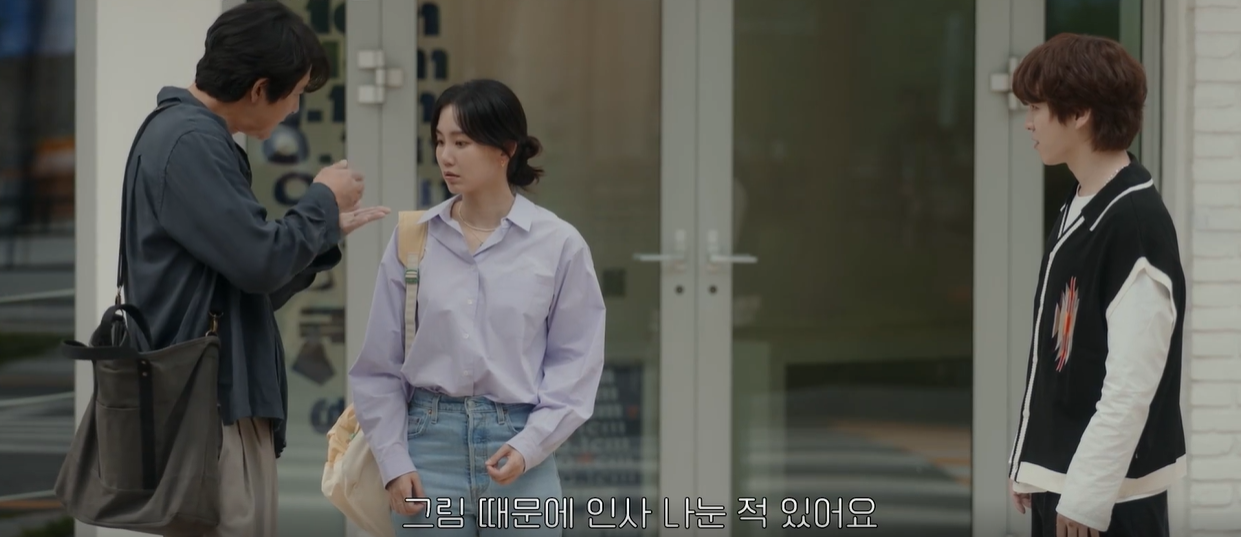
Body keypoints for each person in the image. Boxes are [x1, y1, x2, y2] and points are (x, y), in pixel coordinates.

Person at [121, 3, 389, 536]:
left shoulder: (183, 134)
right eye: (295, 94)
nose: (294, 109)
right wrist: (320, 199)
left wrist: (323, 232)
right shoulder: (191, 141)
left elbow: (241, 280)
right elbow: (258, 263)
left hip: (209, 403)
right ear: (260, 88)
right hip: (212, 408)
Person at [349, 78, 607, 535]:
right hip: (426, 453)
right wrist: (393, 460)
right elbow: (378, 368)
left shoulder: (558, 244)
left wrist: (530, 445)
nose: (446, 156)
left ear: (505, 149)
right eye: (440, 141)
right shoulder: (414, 239)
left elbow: (575, 364)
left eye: (462, 142)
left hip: (520, 450)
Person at [1005, 33, 1186, 537]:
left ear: (1081, 112)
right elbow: (1061, 358)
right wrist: (1032, 463)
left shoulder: (1133, 222)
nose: (1028, 122)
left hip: (1103, 502)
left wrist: (1085, 498)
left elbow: (1131, 383)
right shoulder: (1084, 200)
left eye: (1037, 107)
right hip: (1068, 486)